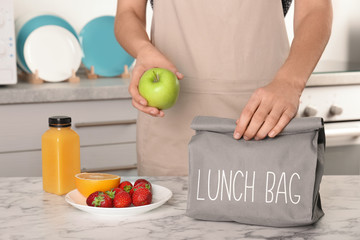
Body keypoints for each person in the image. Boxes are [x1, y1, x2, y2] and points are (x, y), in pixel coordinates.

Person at [115, 0, 332, 176]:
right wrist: (143, 50)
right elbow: (128, 11)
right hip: (172, 128)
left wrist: (290, 81)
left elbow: (315, 8)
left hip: (264, 113)